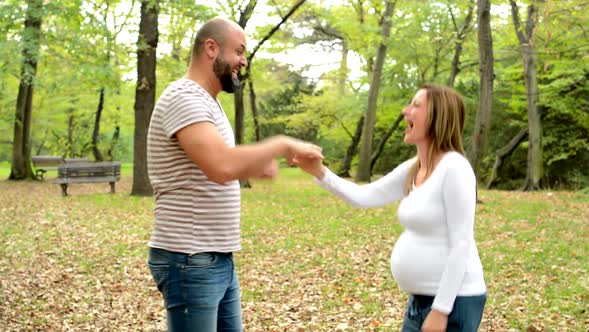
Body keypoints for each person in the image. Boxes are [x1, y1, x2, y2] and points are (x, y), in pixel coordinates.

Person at [146, 17, 323, 332]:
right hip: (190, 257)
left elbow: (216, 163)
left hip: (216, 256)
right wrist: (279, 144)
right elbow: (221, 166)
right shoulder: (184, 97)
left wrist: (257, 164)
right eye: (239, 51)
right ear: (211, 49)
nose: (244, 61)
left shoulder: (209, 104)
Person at [294, 84, 487, 332]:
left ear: (438, 116)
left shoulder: (455, 169)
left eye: (416, 105)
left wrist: (441, 310)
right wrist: (320, 172)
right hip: (420, 302)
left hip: (454, 302)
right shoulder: (414, 168)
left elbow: (461, 244)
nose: (406, 111)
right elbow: (363, 196)